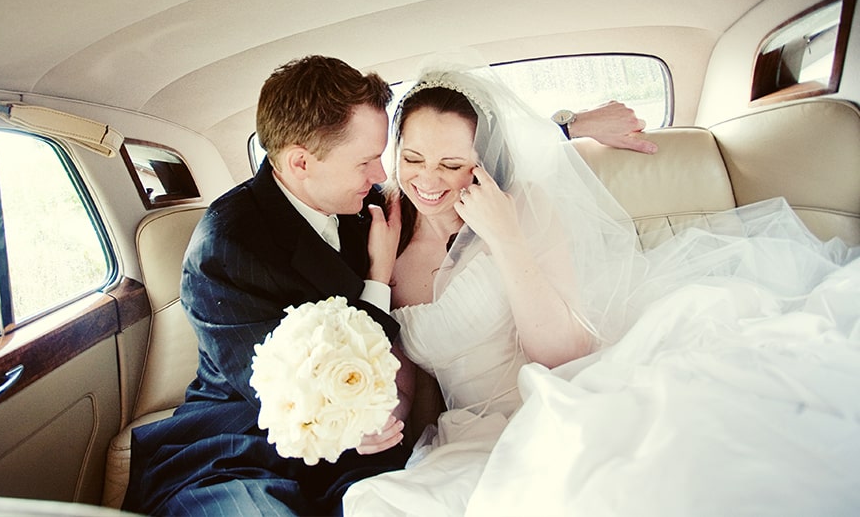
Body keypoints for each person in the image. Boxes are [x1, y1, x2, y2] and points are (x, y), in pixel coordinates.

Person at [122, 54, 655, 516]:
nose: (385, 173)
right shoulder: (228, 246)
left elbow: (464, 155)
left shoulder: (367, 203)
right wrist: (378, 281)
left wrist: (571, 124)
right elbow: (283, 393)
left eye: (384, 153)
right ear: (301, 162)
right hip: (239, 450)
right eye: (374, 159)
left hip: (365, 457)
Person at [342, 57, 860, 516]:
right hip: (467, 432)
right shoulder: (386, 228)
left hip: (559, 394)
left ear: (482, 162)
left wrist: (507, 241)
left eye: (452, 164)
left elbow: (563, 352)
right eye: (412, 158)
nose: (428, 179)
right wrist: (381, 414)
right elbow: (408, 372)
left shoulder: (524, 206)